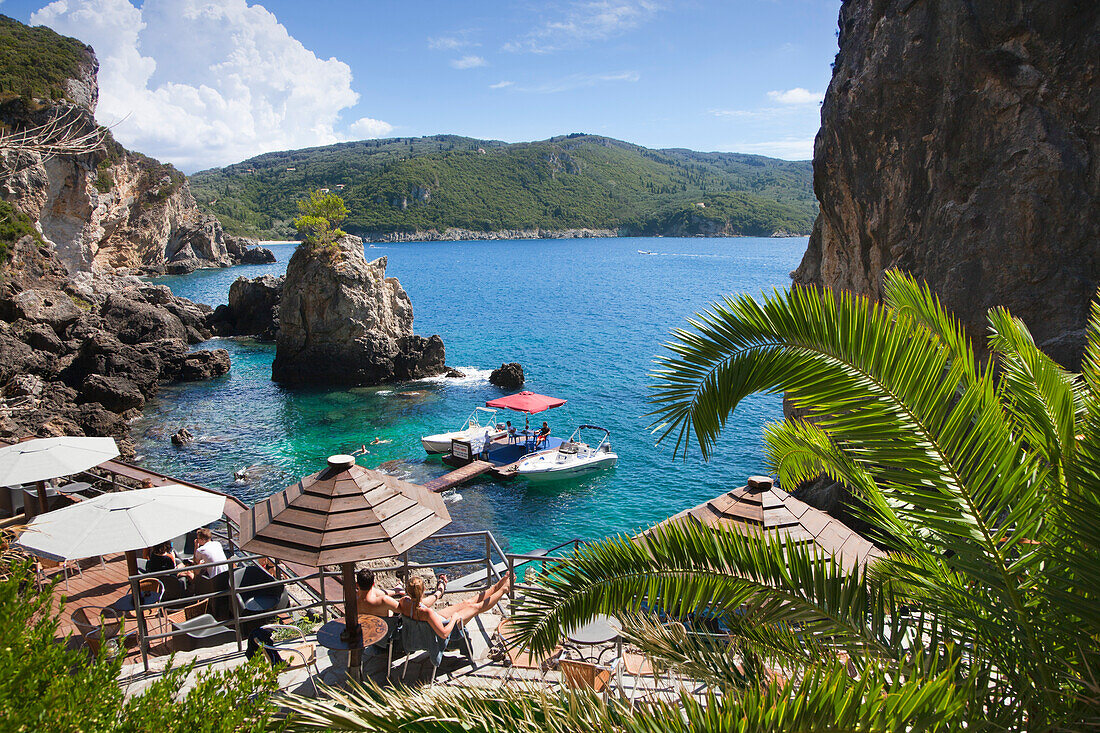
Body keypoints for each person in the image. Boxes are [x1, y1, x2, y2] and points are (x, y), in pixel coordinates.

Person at [397, 572, 512, 642]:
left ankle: (496, 586)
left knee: (467, 603)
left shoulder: (404, 602)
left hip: (434, 622)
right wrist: (454, 618)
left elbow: (429, 600)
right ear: (424, 590)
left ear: (408, 591)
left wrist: (440, 588)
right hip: (442, 628)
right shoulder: (427, 613)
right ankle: (503, 590)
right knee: (475, 607)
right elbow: (444, 634)